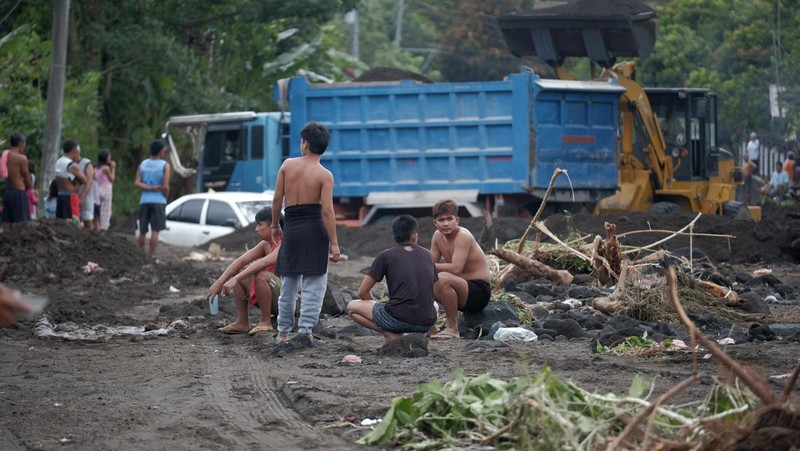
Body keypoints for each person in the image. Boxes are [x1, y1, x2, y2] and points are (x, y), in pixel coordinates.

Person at [271, 122, 340, 343]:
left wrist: (274, 225)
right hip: (314, 230)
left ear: (305, 144)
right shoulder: (324, 174)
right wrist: (335, 243)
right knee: (314, 284)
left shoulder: (287, 166)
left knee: (288, 282)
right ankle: (305, 332)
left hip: (291, 228)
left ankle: (282, 332)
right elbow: (328, 212)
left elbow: (276, 199)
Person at [346, 215, 438, 343]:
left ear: (394, 237)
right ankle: (427, 333)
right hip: (425, 322)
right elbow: (429, 291)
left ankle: (388, 333)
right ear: (414, 236)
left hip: (396, 320)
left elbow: (362, 292)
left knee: (352, 307)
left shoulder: (385, 256)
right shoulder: (428, 255)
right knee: (434, 304)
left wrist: (376, 306)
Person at [209, 207, 284, 335]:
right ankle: (242, 322)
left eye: (260, 225)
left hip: (291, 300)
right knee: (241, 273)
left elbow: (264, 262)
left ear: (273, 226)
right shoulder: (265, 244)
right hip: (276, 296)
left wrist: (234, 279)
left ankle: (265, 322)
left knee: (261, 275)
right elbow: (240, 261)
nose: (256, 229)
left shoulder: (285, 243)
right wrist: (219, 282)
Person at [429, 199, 492, 339]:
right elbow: (430, 264)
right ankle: (429, 327)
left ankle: (452, 328)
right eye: (441, 220)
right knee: (423, 279)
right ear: (435, 223)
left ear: (457, 219)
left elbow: (457, 268)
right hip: (459, 288)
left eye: (449, 219)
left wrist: (426, 265)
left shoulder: (463, 236)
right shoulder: (437, 237)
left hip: (478, 292)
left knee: (443, 277)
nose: (445, 223)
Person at [135, 139, 171, 257]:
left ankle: (140, 254)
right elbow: (165, 186)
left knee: (142, 230)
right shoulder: (165, 165)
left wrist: (149, 188)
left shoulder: (143, 164)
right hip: (159, 201)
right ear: (161, 151)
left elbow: (137, 182)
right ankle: (150, 255)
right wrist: (165, 196)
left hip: (144, 200)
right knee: (155, 231)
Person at [1, 132, 33, 231]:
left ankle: (5, 243)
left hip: (8, 191)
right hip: (19, 192)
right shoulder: (21, 158)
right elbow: (26, 176)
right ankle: (22, 244)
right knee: (22, 222)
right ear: (21, 143)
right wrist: (30, 187)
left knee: (7, 220)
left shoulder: (5, 155)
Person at [54, 139, 87, 223]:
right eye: (78, 152)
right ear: (74, 151)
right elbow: (84, 180)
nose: (78, 155)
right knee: (73, 222)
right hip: (71, 197)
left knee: (61, 222)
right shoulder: (72, 165)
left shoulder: (58, 162)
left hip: (60, 195)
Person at [94, 149, 116, 230]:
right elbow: (112, 179)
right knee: (105, 211)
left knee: (97, 209)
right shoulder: (106, 168)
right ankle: (104, 227)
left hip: (97, 189)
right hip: (106, 190)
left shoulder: (95, 167)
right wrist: (113, 168)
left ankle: (97, 226)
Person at [77, 155, 96, 229]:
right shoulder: (70, 163)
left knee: (88, 220)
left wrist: (82, 197)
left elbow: (89, 181)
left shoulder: (86, 164)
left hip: (86, 196)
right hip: (75, 194)